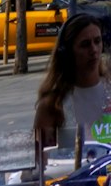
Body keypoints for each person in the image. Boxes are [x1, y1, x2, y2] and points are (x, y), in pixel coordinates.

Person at [35, 13, 111, 155]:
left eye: (97, 41)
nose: (94, 50)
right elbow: (38, 161)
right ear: (67, 52)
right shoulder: (53, 104)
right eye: (85, 44)